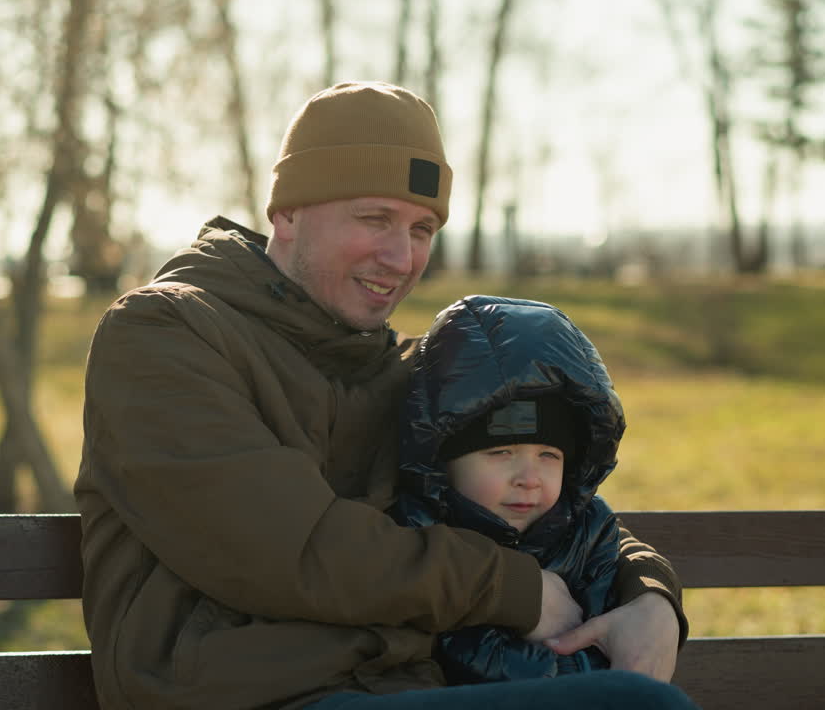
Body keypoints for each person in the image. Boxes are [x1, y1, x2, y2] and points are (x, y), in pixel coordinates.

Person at [74, 81, 695, 710]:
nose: (401, 257)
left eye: (422, 228)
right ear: (286, 213)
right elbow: (286, 549)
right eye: (375, 219)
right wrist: (514, 590)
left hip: (399, 691)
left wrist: (648, 594)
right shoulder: (163, 336)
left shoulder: (405, 373)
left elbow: (552, 509)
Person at [392, 294, 638, 685]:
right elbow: (457, 652)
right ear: (444, 460)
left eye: (549, 455)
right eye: (501, 452)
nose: (529, 477)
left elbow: (621, 616)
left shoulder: (588, 532)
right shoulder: (422, 537)